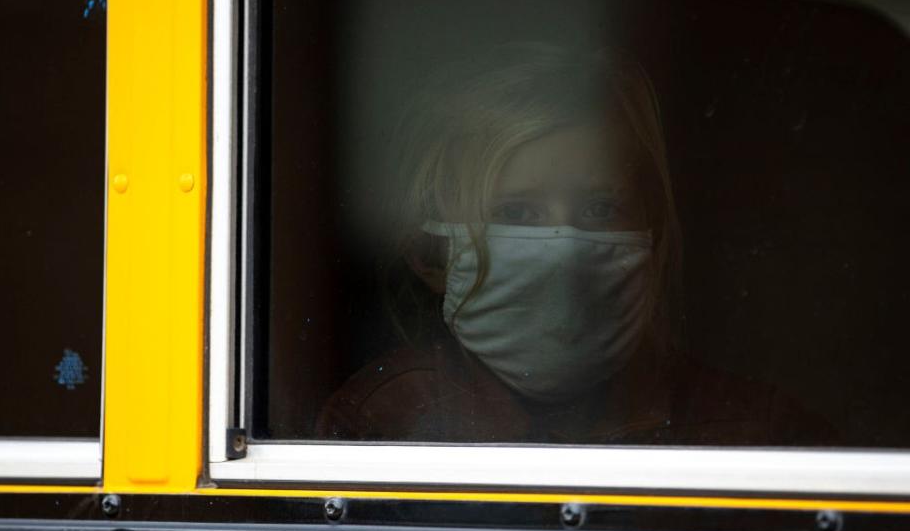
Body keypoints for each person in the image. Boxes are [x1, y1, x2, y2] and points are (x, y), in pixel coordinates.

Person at [316, 43, 834, 445]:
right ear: (431, 256)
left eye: (600, 210)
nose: (564, 249)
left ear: (651, 231)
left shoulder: (755, 433)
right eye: (517, 214)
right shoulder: (386, 418)